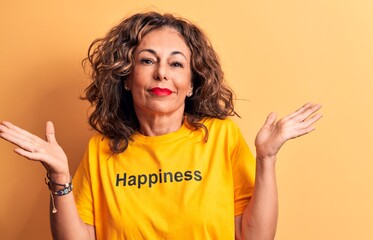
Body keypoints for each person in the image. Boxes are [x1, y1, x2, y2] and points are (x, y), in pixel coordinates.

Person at [0, 12, 322, 240]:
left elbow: (253, 238)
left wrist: (266, 160)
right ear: (126, 77)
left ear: (192, 83)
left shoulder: (222, 138)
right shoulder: (102, 149)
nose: (162, 74)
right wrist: (58, 178)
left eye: (177, 63)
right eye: (148, 60)